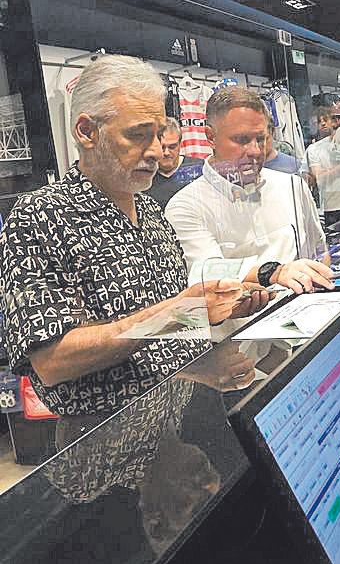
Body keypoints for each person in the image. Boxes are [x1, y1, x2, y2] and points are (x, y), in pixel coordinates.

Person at [0, 55, 266, 416]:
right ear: (86, 132)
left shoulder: (152, 212)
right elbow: (53, 359)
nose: (156, 151)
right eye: (138, 135)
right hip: (106, 444)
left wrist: (208, 318)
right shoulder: (41, 216)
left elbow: (162, 333)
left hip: (182, 416)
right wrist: (179, 312)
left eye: (158, 135)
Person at [166, 86, 332, 296]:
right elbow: (207, 273)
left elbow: (319, 250)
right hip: (243, 327)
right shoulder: (186, 206)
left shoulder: (292, 186)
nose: (255, 151)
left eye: (260, 139)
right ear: (211, 137)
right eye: (242, 140)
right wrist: (274, 272)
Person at [145, 117, 203, 209]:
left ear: (180, 145)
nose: (166, 153)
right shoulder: (144, 177)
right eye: (162, 147)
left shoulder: (200, 169)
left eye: (172, 147)